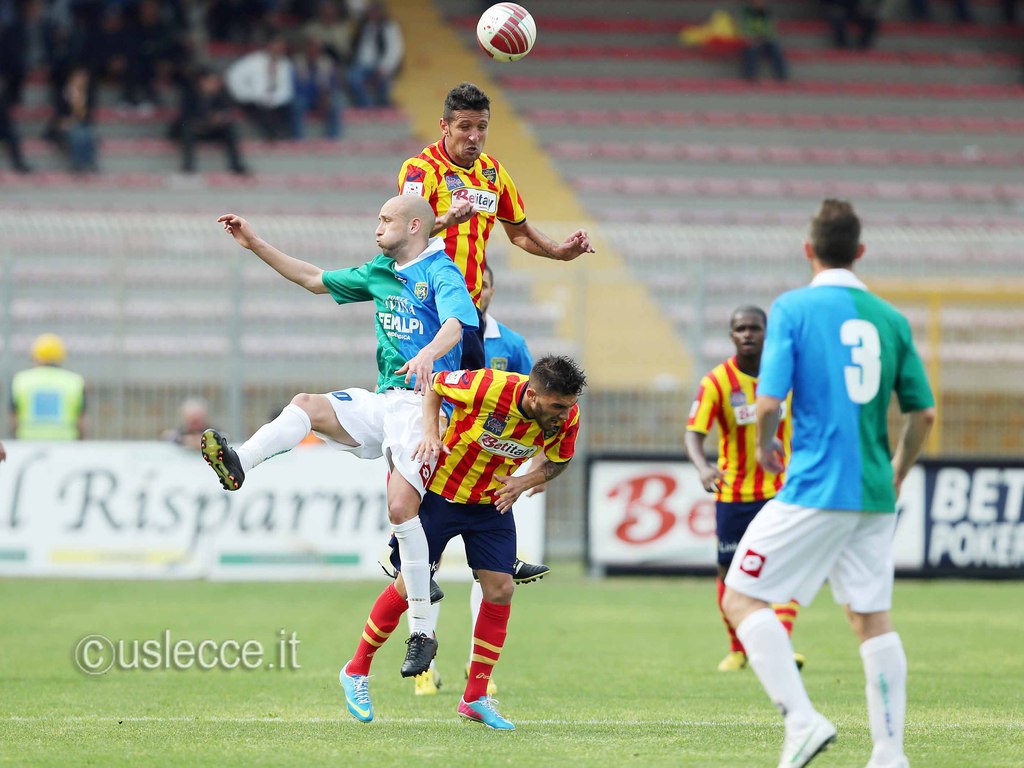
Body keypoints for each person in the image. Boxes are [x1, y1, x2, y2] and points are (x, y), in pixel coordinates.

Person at [201, 195, 479, 678]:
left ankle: (421, 630)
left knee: (401, 510)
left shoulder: (441, 271)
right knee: (306, 405)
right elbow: (313, 279)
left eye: (386, 220)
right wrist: (255, 243)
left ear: (415, 225)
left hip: (426, 404)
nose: (377, 227)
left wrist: (430, 353)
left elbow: (456, 324)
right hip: (386, 399)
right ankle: (242, 461)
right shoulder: (380, 270)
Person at [722, 199, 936, 768]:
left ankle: (802, 721)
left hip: (815, 485)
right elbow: (924, 414)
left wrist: (766, 444)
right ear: (860, 251)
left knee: (740, 597)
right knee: (871, 618)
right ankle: (889, 753)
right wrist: (897, 470)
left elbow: (769, 401)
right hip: (873, 493)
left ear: (808, 250)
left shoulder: (793, 308)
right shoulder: (891, 319)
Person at [340, 355, 586, 730]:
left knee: (501, 590)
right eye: (557, 407)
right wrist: (430, 432)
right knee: (408, 587)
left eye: (568, 406)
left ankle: (475, 697)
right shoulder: (487, 386)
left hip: (491, 504)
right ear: (533, 395)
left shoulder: (567, 417)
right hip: (440, 496)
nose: (564, 415)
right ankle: (356, 670)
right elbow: (435, 384)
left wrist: (524, 481)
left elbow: (560, 460)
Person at [409, 262, 546, 697]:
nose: (478, 290)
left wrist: (537, 467)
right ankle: (424, 667)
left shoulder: (511, 344)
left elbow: (544, 405)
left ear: (491, 291)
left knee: (487, 574)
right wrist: (429, 429)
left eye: (484, 285)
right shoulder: (437, 332)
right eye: (472, 283)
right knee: (419, 569)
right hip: (437, 455)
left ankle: (475, 665)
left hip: (487, 474)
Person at [397, 81, 595, 370]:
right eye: (465, 126)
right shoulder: (421, 170)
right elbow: (404, 235)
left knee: (468, 395)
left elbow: (519, 232)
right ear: (444, 126)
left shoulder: (493, 173)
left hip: (467, 310)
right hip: (425, 306)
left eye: (482, 127)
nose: (474, 136)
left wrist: (559, 251)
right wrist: (447, 220)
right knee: (421, 393)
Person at [685, 306, 803, 673]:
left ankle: (780, 646)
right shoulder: (716, 382)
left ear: (767, 333)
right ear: (731, 335)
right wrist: (703, 467)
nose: (748, 334)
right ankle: (739, 649)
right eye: (741, 328)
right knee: (729, 573)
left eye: (755, 328)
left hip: (780, 491)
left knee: (785, 567)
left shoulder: (787, 377)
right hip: (733, 495)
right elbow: (693, 433)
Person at [10, 333, 86, 440]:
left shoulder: (21, 380)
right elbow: (81, 421)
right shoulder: (74, 381)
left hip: (28, 442)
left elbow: (13, 419)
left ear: (36, 356)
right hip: (66, 443)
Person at [176, 66, 249, 175]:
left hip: (213, 129)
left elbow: (227, 111)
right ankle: (188, 165)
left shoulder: (222, 94)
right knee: (187, 130)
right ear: (202, 82)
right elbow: (185, 116)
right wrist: (204, 119)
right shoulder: (190, 94)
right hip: (195, 128)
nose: (215, 84)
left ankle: (236, 165)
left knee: (230, 130)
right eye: (211, 81)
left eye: (216, 82)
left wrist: (219, 118)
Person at [225, 32, 295, 141]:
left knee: (289, 108)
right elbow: (233, 75)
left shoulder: (286, 64)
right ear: (269, 45)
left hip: (276, 102)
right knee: (260, 111)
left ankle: (289, 138)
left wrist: (274, 100)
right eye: (276, 45)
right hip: (253, 100)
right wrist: (248, 94)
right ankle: (271, 137)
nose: (279, 48)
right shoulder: (253, 60)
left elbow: (287, 89)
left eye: (281, 46)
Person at [345, 1, 404, 108]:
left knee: (384, 83)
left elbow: (394, 50)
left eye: (374, 11)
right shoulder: (364, 26)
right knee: (352, 77)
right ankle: (367, 106)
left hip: (380, 65)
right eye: (370, 12)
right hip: (361, 65)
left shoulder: (389, 27)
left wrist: (385, 67)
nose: (372, 14)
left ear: (381, 13)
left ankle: (383, 105)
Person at [738, 0, 789, 81]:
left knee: (775, 47)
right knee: (752, 50)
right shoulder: (746, 14)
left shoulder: (767, 14)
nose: (759, 3)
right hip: (752, 40)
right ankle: (749, 77)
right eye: (757, 2)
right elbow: (744, 29)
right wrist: (752, 38)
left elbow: (771, 30)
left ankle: (782, 76)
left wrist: (764, 37)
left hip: (765, 39)